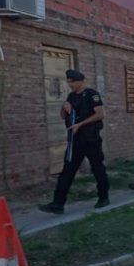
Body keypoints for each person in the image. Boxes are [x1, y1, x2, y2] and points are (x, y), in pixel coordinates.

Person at [39, 69, 109, 214]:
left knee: (97, 168)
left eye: (72, 82)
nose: (70, 84)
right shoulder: (71, 96)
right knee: (67, 170)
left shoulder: (92, 94)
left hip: (91, 138)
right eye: (69, 82)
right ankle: (57, 204)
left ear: (81, 81)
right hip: (75, 140)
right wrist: (64, 108)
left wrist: (80, 124)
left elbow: (101, 114)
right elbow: (63, 116)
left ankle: (103, 197)